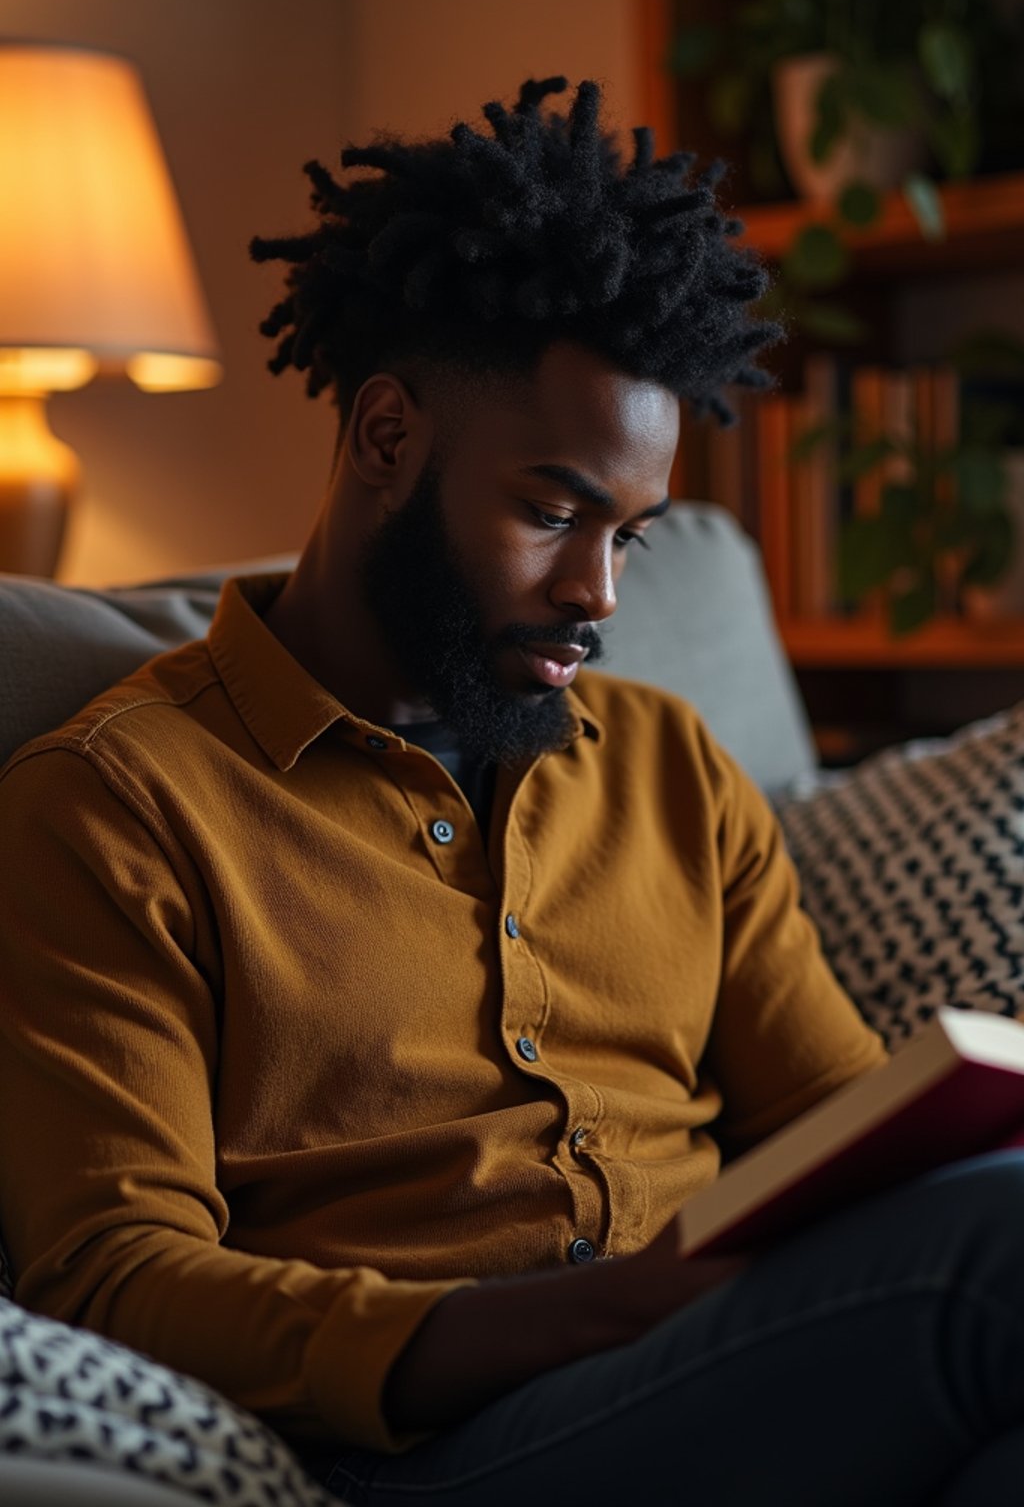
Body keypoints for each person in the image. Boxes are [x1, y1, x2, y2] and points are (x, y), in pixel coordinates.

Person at [1, 75, 1024, 1507]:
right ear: (385, 438)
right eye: (552, 512)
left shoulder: (671, 769)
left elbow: (836, 1118)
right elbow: (117, 1276)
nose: (595, 592)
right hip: (431, 1452)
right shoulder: (116, 805)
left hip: (744, 1387)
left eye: (631, 535)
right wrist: (595, 1313)